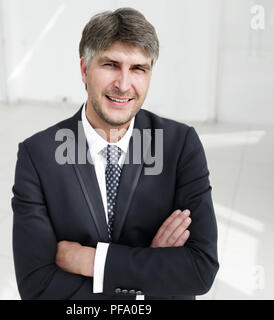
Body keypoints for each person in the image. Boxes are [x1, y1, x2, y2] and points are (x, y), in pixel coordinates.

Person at [11, 7, 219, 300]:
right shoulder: (38, 156)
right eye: (111, 64)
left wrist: (93, 262)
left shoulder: (180, 145)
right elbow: (38, 287)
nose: (123, 85)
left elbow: (199, 270)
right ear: (84, 70)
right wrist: (150, 266)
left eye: (138, 69)